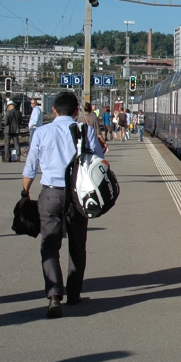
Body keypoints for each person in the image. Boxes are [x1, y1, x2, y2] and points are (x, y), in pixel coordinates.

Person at [22, 92, 105, 319]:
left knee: (49, 245)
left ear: (54, 111)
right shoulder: (85, 131)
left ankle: (53, 296)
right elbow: (99, 160)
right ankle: (74, 294)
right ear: (77, 111)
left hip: (50, 195)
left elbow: (30, 168)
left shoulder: (41, 132)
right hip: (78, 195)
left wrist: (25, 193)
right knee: (77, 246)